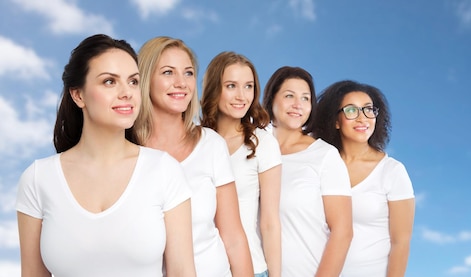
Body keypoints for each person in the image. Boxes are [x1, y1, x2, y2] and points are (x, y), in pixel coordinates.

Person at [15, 34, 196, 277]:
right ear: (78, 95)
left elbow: (182, 271)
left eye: (133, 82)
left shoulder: (164, 171)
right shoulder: (38, 179)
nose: (127, 93)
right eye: (110, 82)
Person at [135, 37, 253, 277]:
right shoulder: (126, 150)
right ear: (145, 80)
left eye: (188, 73)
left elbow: (234, 238)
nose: (181, 83)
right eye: (168, 72)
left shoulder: (211, 145)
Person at [311, 80, 415, 277]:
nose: (362, 119)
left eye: (368, 110)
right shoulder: (320, 164)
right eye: (351, 110)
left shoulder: (392, 171)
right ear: (335, 121)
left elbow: (401, 243)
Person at [261, 66, 353, 277]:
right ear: (271, 99)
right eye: (289, 96)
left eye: (305, 98)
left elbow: (343, 232)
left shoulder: (324, 156)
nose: (297, 105)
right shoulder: (254, 151)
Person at [200, 51, 282, 277]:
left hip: (251, 269)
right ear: (214, 89)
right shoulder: (197, 141)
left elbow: (270, 223)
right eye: (231, 86)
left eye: (248, 86)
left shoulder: (263, 143)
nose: (241, 96)